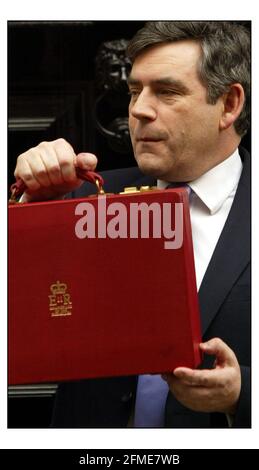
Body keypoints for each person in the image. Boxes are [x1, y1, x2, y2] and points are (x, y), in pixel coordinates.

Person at [13, 21, 251, 428]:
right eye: (135, 91)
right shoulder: (82, 200)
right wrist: (28, 211)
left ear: (228, 105)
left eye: (167, 91)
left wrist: (243, 396)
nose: (138, 109)